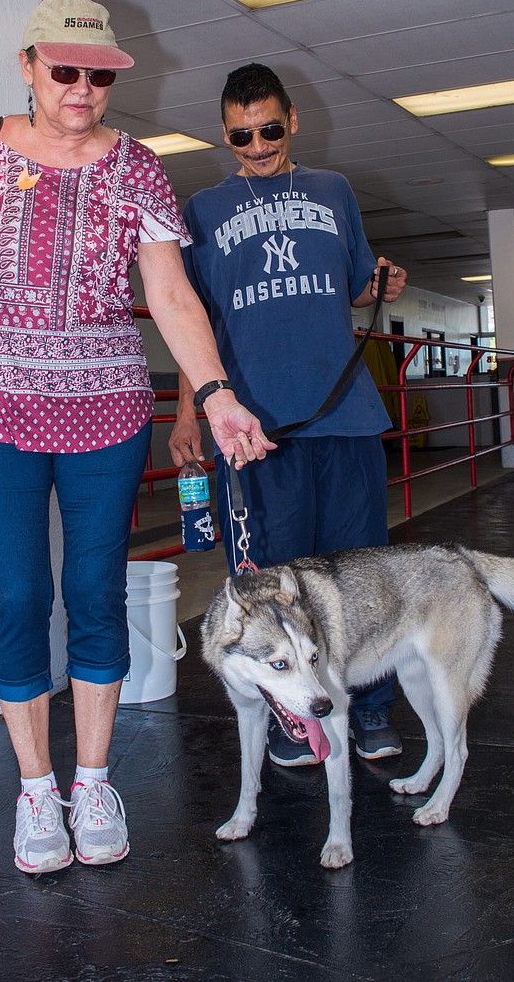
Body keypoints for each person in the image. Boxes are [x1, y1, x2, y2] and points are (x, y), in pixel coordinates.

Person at [0, 0, 274, 875]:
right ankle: (37, 788)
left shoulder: (139, 167)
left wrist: (217, 394)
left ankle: (94, 778)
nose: (82, 87)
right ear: (29, 66)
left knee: (97, 592)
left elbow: (173, 296)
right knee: (20, 595)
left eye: (99, 74)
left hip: (105, 406)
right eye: (64, 69)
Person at [168, 62, 408, 766]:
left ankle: (371, 710)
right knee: (274, 588)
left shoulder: (333, 191)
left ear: (292, 120)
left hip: (344, 416)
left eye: (270, 129)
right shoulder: (204, 210)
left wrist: (382, 283)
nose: (258, 145)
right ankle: (296, 720)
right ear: (225, 134)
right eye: (242, 135)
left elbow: (356, 288)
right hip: (253, 431)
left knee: (359, 578)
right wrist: (189, 416)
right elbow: (193, 323)